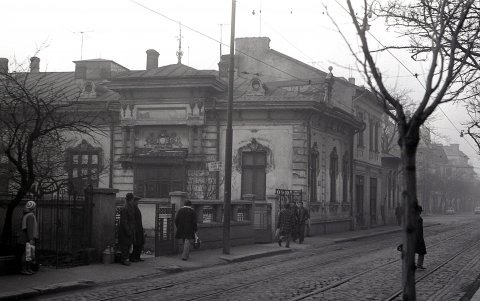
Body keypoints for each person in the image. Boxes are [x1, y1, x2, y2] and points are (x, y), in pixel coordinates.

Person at [19, 201, 39, 275]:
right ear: (33, 208)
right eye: (35, 207)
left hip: (25, 237)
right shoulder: (30, 216)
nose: (36, 209)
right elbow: (30, 228)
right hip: (28, 238)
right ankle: (24, 269)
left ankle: (28, 268)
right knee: (27, 254)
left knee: (28, 254)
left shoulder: (26, 215)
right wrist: (31, 239)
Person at [118, 193, 138, 266]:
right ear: (131, 199)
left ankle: (126, 259)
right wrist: (128, 231)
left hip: (130, 230)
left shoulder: (130, 207)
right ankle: (124, 260)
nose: (133, 201)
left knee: (129, 245)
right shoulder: (125, 208)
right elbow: (124, 221)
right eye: (133, 199)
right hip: (125, 231)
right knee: (125, 246)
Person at [129, 193, 144, 262]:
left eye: (138, 201)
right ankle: (133, 257)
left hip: (139, 228)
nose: (138, 202)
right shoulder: (133, 208)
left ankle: (137, 257)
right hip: (135, 228)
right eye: (136, 201)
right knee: (135, 243)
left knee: (140, 243)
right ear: (134, 201)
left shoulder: (136, 208)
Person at [415, 204, 427, 270]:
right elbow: (419, 230)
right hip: (418, 238)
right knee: (422, 251)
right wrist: (420, 239)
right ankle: (419, 264)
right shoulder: (419, 219)